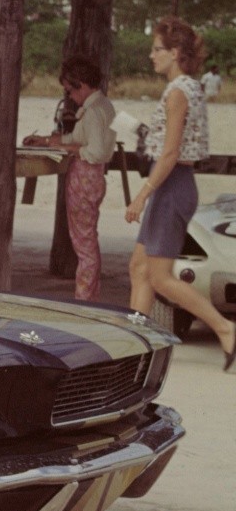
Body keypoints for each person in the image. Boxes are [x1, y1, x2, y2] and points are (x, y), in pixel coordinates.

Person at [127, 18, 235, 366]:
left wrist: (142, 194)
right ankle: (135, 344)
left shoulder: (178, 92)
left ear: (174, 53)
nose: (150, 55)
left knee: (158, 275)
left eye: (156, 49)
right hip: (174, 184)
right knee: (139, 268)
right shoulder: (189, 88)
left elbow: (171, 152)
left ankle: (223, 327)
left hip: (171, 185)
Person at [24, 55, 117, 301]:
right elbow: (80, 138)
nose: (70, 97)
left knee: (84, 245)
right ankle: (88, 296)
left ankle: (85, 299)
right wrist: (47, 140)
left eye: (70, 91)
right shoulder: (101, 106)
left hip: (85, 176)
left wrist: (69, 150)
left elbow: (95, 151)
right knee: (86, 240)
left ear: (82, 85)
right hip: (91, 177)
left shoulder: (95, 111)